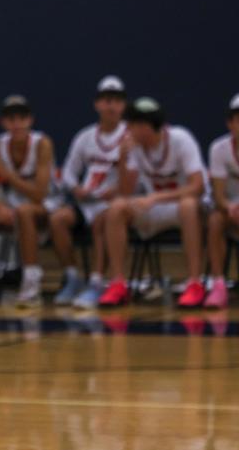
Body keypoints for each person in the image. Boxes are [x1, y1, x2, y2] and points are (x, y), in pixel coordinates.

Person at [100, 97, 208, 307]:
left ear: (147, 126)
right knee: (116, 208)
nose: (129, 130)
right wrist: (122, 159)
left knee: (188, 205)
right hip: (154, 207)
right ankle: (118, 283)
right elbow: (125, 192)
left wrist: (157, 197)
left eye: (133, 124)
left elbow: (197, 187)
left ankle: (194, 282)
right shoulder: (133, 146)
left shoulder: (181, 139)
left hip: (183, 207)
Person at [0, 95, 60, 306]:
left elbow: (39, 193)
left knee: (24, 211)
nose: (17, 124)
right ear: (3, 122)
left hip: (47, 203)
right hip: (12, 202)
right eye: (11, 119)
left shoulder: (42, 143)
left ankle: (31, 281)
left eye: (22, 118)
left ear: (30, 120)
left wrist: (7, 174)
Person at [49, 76, 128, 308]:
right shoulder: (85, 136)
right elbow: (69, 171)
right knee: (57, 219)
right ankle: (73, 277)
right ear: (97, 104)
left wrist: (116, 191)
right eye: (106, 100)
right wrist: (75, 188)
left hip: (113, 204)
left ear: (123, 105)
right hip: (87, 202)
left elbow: (138, 176)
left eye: (116, 101)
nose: (111, 106)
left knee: (101, 223)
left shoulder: (130, 137)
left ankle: (96, 283)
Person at [204, 93, 239, 308]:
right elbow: (218, 195)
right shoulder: (219, 149)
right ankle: (218, 285)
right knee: (215, 220)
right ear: (230, 123)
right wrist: (231, 207)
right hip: (228, 209)